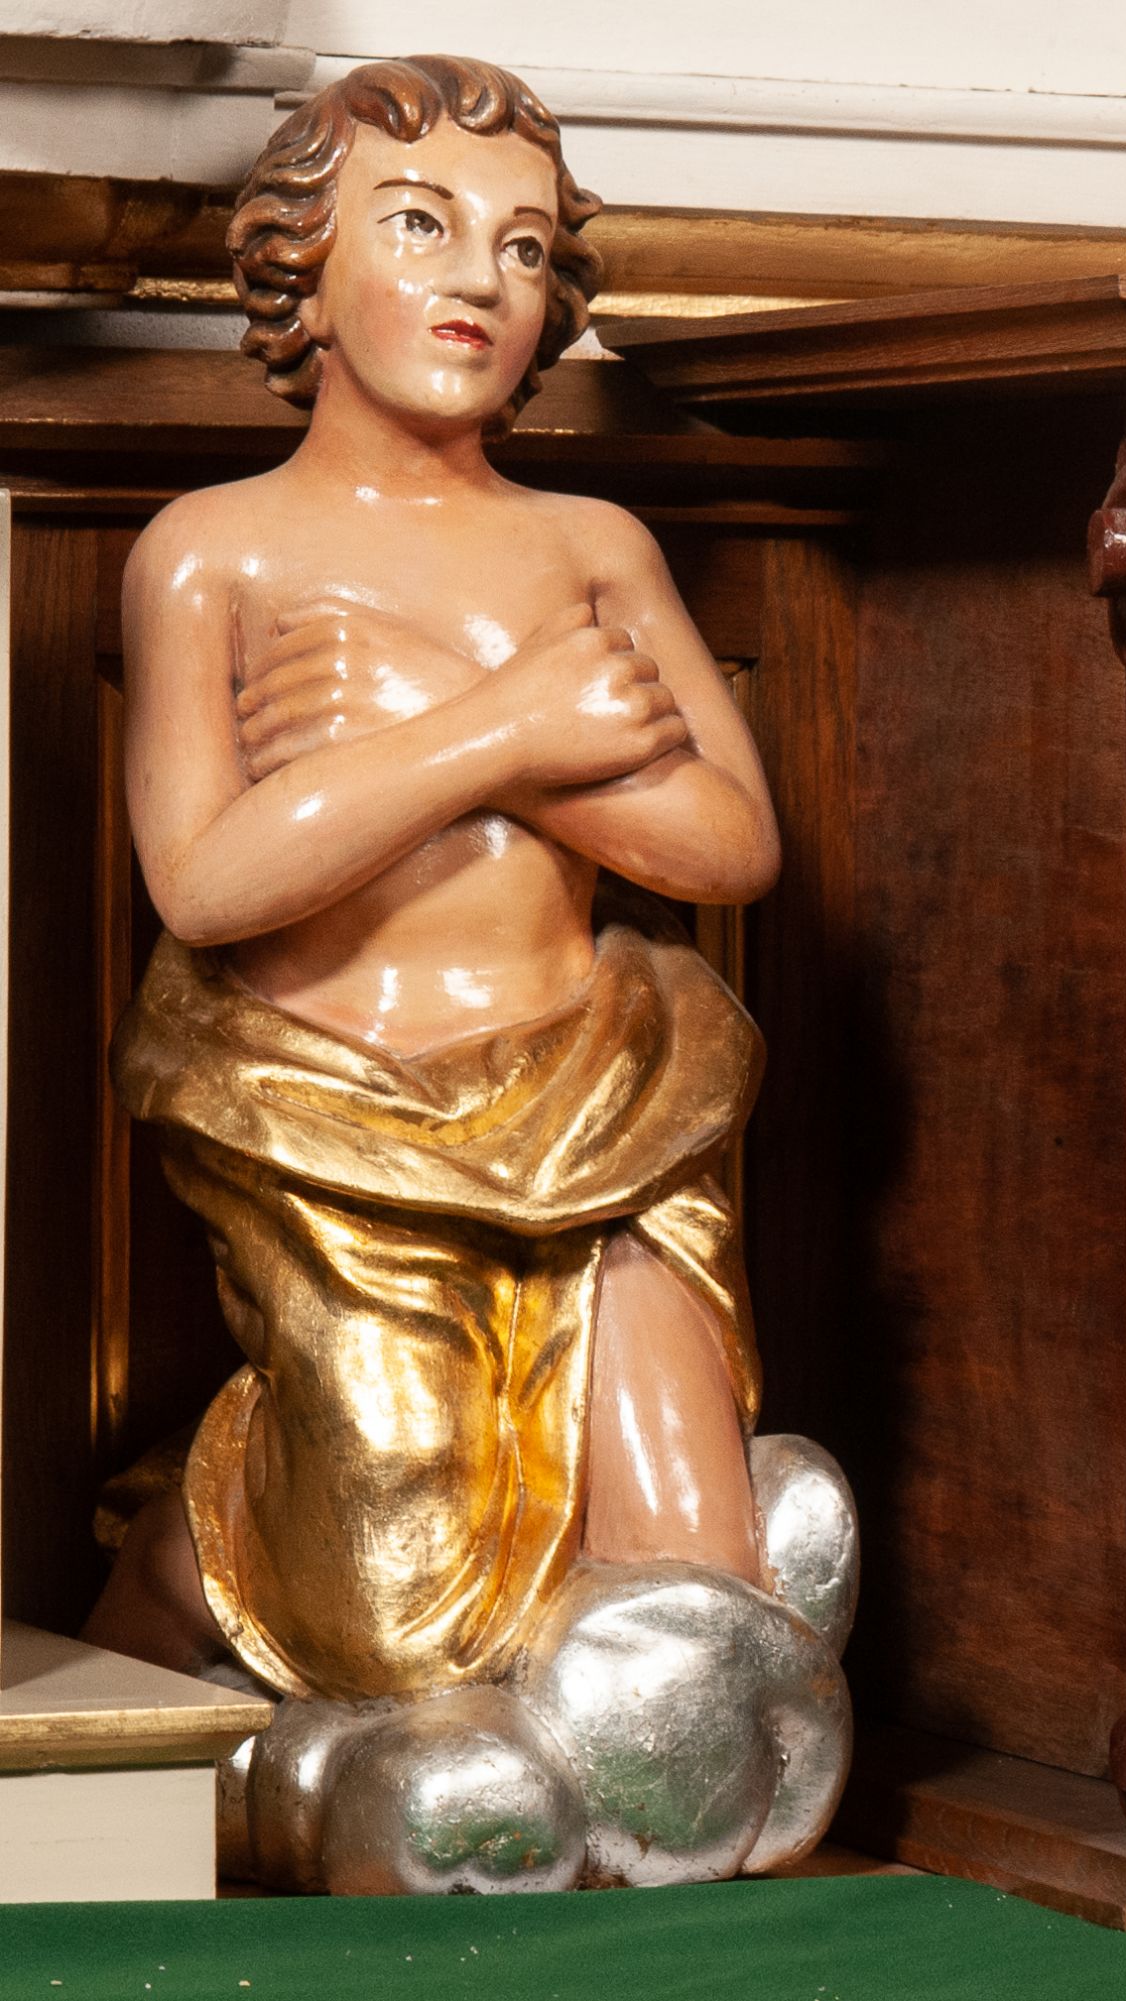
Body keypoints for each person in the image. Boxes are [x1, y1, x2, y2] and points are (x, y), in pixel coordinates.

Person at [83, 54, 782, 1711]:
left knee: (696, 1582)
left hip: (600, 1104)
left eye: (525, 247)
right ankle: (184, 1560)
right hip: (338, 1118)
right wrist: (503, 727)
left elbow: (734, 843)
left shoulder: (592, 546)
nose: (482, 277)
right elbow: (205, 881)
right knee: (402, 1635)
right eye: (420, 224)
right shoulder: (213, 551)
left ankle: (719, 1622)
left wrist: (482, 727)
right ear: (301, 272)